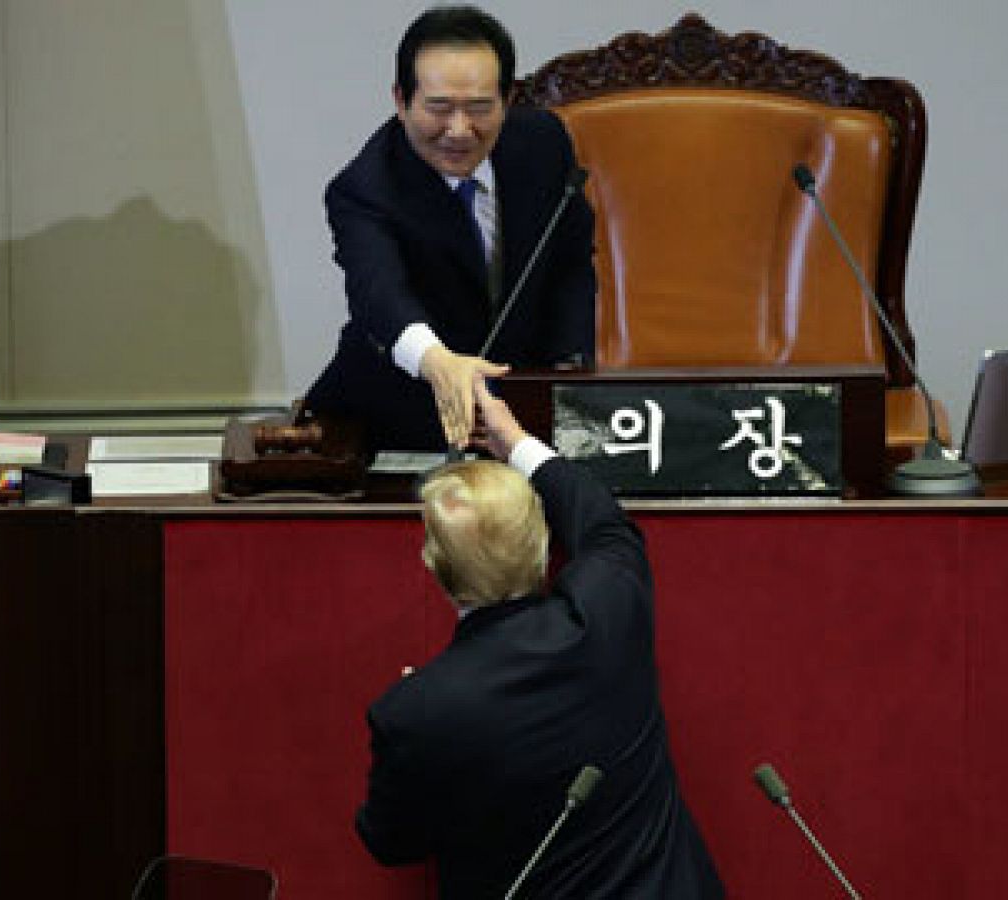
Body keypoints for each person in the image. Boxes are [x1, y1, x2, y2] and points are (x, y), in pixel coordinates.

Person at [355, 374, 725, 898]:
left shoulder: (414, 711)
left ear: (434, 568)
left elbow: (391, 843)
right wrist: (517, 442)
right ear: (546, 545)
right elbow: (604, 524)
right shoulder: (610, 611)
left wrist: (426, 722)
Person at [304, 5, 596, 453]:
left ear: (509, 98)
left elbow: (569, 265)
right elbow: (378, 293)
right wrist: (437, 362)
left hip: (524, 411)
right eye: (438, 108)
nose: (459, 131)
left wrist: (567, 372)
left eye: (480, 107)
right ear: (401, 101)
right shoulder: (366, 187)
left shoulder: (543, 143)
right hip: (395, 420)